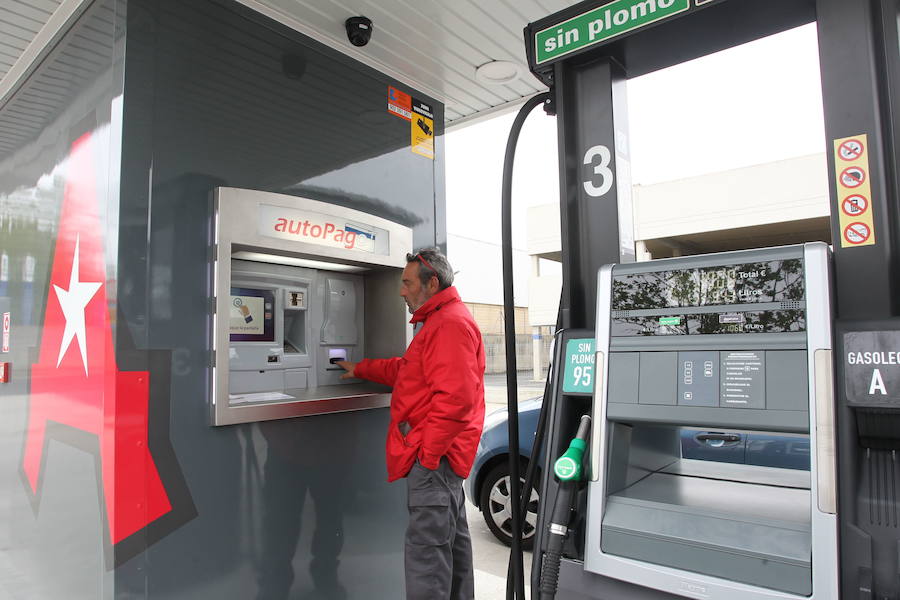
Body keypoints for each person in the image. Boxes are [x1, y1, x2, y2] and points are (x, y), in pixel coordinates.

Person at [336, 247, 485, 600]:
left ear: (431, 283)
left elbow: (457, 400)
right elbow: (408, 370)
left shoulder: (448, 325)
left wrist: (427, 454)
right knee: (451, 546)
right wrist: (360, 368)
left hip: (436, 459)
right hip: (444, 458)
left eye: (406, 283)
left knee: (426, 556)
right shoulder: (440, 320)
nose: (401, 291)